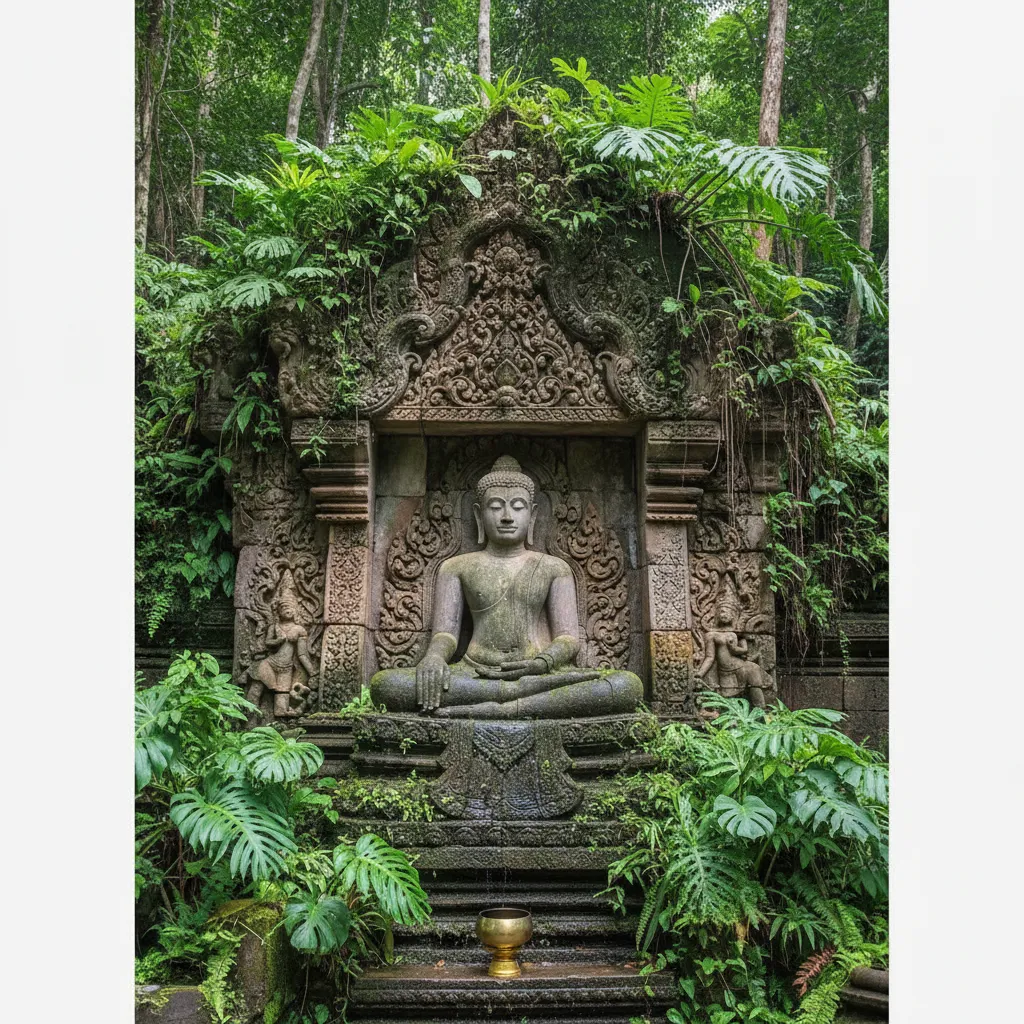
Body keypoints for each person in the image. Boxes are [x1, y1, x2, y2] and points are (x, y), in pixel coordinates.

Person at [371, 456, 643, 719]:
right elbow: (446, 634)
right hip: (473, 675)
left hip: (539, 675)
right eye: (496, 506)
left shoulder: (554, 568)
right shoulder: (456, 567)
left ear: (533, 514)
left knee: (625, 686)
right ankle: (522, 704)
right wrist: (433, 658)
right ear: (479, 513)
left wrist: (541, 664)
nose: (506, 516)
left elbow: (568, 639)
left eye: (517, 506)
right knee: (387, 686)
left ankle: (504, 707)